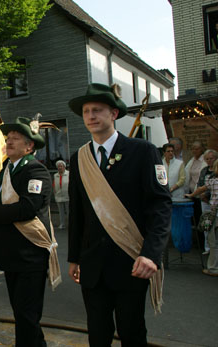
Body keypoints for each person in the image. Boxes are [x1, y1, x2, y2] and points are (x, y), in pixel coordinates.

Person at [67, 83, 171, 346]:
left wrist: (151, 254)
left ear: (113, 114)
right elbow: (78, 213)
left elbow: (160, 207)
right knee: (97, 335)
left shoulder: (143, 151)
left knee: (132, 333)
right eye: (86, 111)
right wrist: (74, 258)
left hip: (131, 261)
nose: (91, 116)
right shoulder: (79, 158)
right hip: (92, 266)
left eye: (98, 110)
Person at [0, 117, 59, 347]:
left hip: (30, 256)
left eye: (15, 139)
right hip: (11, 256)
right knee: (24, 317)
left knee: (27, 317)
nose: (9, 142)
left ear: (29, 146)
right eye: (8, 138)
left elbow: (27, 208)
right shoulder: (7, 168)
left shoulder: (36, 171)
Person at [186, 159, 218, 277]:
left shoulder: (213, 180)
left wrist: (191, 195)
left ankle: (213, 268)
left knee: (213, 241)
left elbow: (200, 189)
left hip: (215, 214)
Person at [196, 149, 218, 255]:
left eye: (211, 158)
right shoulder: (204, 170)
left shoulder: (216, 173)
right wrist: (201, 196)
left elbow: (210, 187)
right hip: (204, 201)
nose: (209, 161)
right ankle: (207, 248)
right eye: (207, 159)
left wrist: (207, 195)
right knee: (206, 224)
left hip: (213, 202)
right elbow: (200, 184)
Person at [185, 141, 207, 225]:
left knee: (202, 217)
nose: (194, 151)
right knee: (195, 217)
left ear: (201, 149)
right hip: (192, 193)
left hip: (202, 194)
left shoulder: (204, 161)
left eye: (196, 149)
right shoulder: (192, 160)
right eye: (192, 149)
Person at [53, 160, 69, 229]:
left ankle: (70, 224)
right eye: (58, 166)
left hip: (67, 196)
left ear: (64, 167)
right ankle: (62, 224)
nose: (60, 168)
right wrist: (55, 193)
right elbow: (54, 185)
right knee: (61, 212)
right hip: (59, 195)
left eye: (61, 166)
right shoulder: (55, 175)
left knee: (69, 211)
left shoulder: (68, 174)